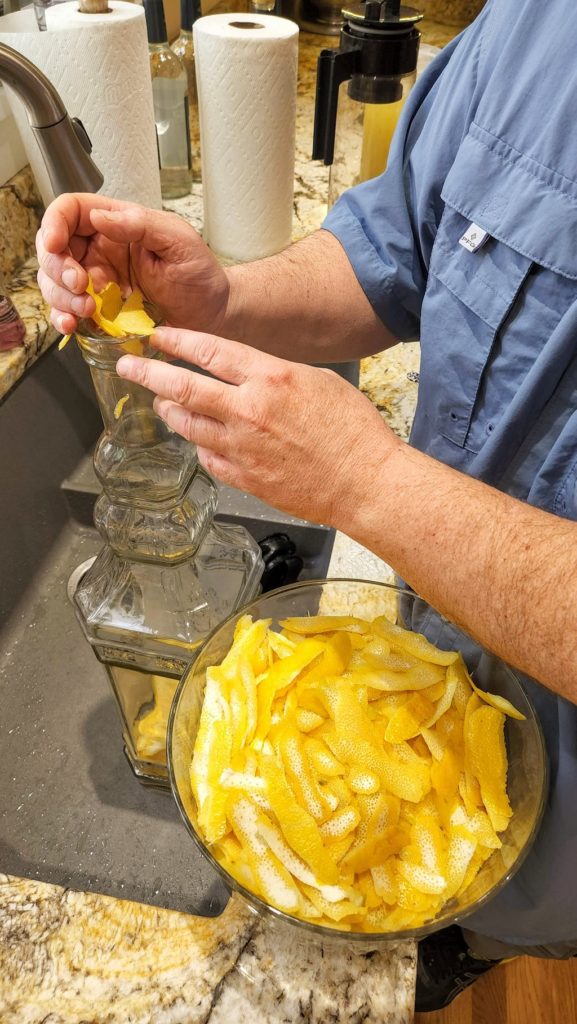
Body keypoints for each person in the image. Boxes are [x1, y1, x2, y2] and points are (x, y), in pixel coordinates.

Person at [36, 0, 577, 1010]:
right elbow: (395, 251)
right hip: (436, 695)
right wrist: (225, 297)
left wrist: (371, 484)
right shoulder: (537, 23)